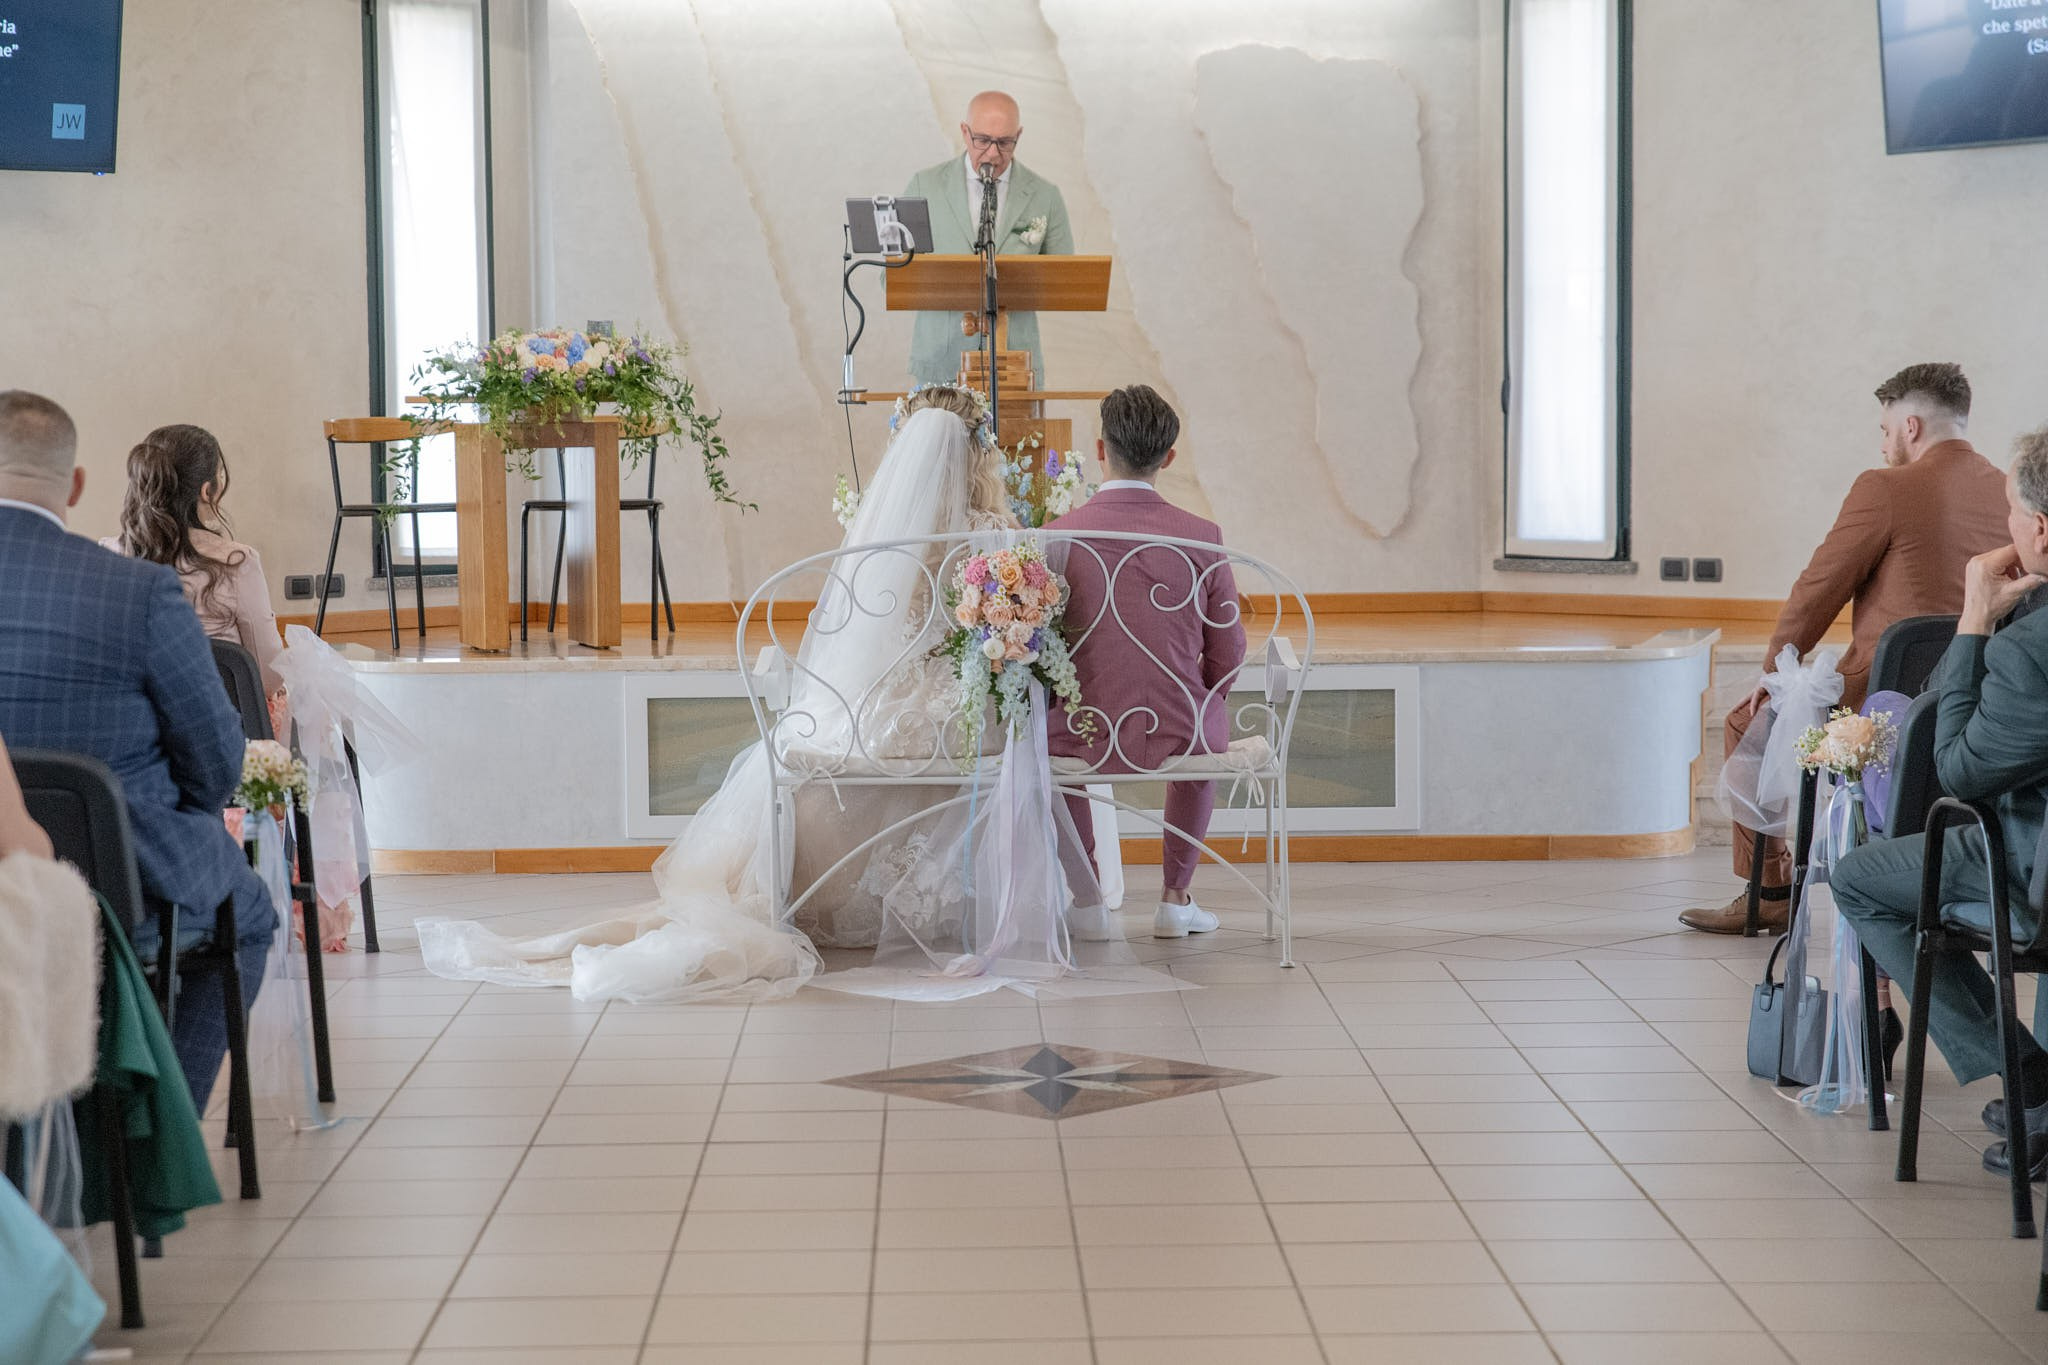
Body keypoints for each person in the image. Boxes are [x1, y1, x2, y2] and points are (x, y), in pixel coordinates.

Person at [418, 386, 1101, 1001]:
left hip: (886, 705)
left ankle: (809, 892)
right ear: (982, 458)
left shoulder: (887, 536)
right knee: (982, 727)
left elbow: (870, 634)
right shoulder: (1004, 539)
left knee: (828, 746)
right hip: (967, 710)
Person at [0, 390, 274, 1113]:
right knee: (246, 911)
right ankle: (147, 1134)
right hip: (112, 872)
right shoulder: (135, 592)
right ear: (77, 484)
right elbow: (217, 764)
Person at [1683, 362, 2010, 934]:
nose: (1882, 446)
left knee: (1747, 722)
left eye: (1885, 431)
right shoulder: (2009, 488)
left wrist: (1773, 670)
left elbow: (1819, 587)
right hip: (1980, 707)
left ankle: (1771, 889)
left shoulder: (1884, 487)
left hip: (1880, 714)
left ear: (1911, 426)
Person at [1833, 424, 2048, 1180]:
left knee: (1860, 876)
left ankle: (2022, 1067)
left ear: (2041, 532)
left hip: (2026, 869)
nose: (2006, 528)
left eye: (2013, 514)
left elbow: (1956, 767)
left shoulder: (2028, 648)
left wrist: (1975, 619)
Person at [1047, 384, 1247, 939]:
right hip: (1178, 724)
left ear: (1100, 449)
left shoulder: (1055, 537)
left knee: (1047, 750)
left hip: (1080, 727)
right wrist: (1200, 695)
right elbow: (1229, 651)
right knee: (1202, 733)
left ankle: (1087, 902)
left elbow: (1037, 649)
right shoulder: (1202, 537)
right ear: (1169, 458)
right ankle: (1174, 900)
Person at [102, 424, 287, 712]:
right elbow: (268, 676)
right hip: (223, 731)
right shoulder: (238, 562)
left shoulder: (109, 556)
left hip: (136, 731)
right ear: (207, 490)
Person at [903, 91, 1074, 387]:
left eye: (1005, 143)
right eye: (982, 140)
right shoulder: (924, 186)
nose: (993, 154)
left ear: (1018, 136)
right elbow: (893, 278)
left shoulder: (1045, 195)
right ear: (964, 132)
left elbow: (1068, 280)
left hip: (1016, 363)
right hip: (940, 363)